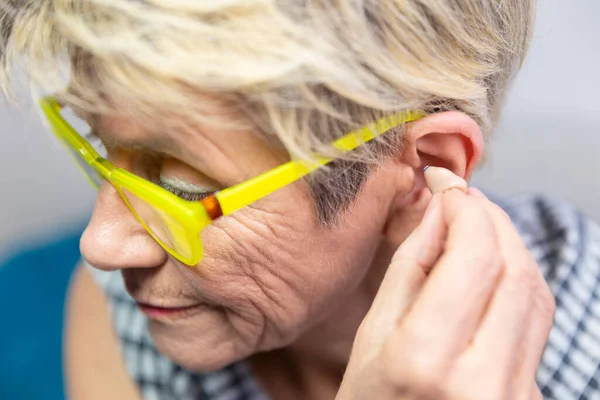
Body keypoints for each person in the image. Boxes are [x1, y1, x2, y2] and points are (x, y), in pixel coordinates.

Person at [2, 0, 600, 399]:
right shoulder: (121, 314)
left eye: (183, 182)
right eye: (101, 150)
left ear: (424, 170)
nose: (100, 245)